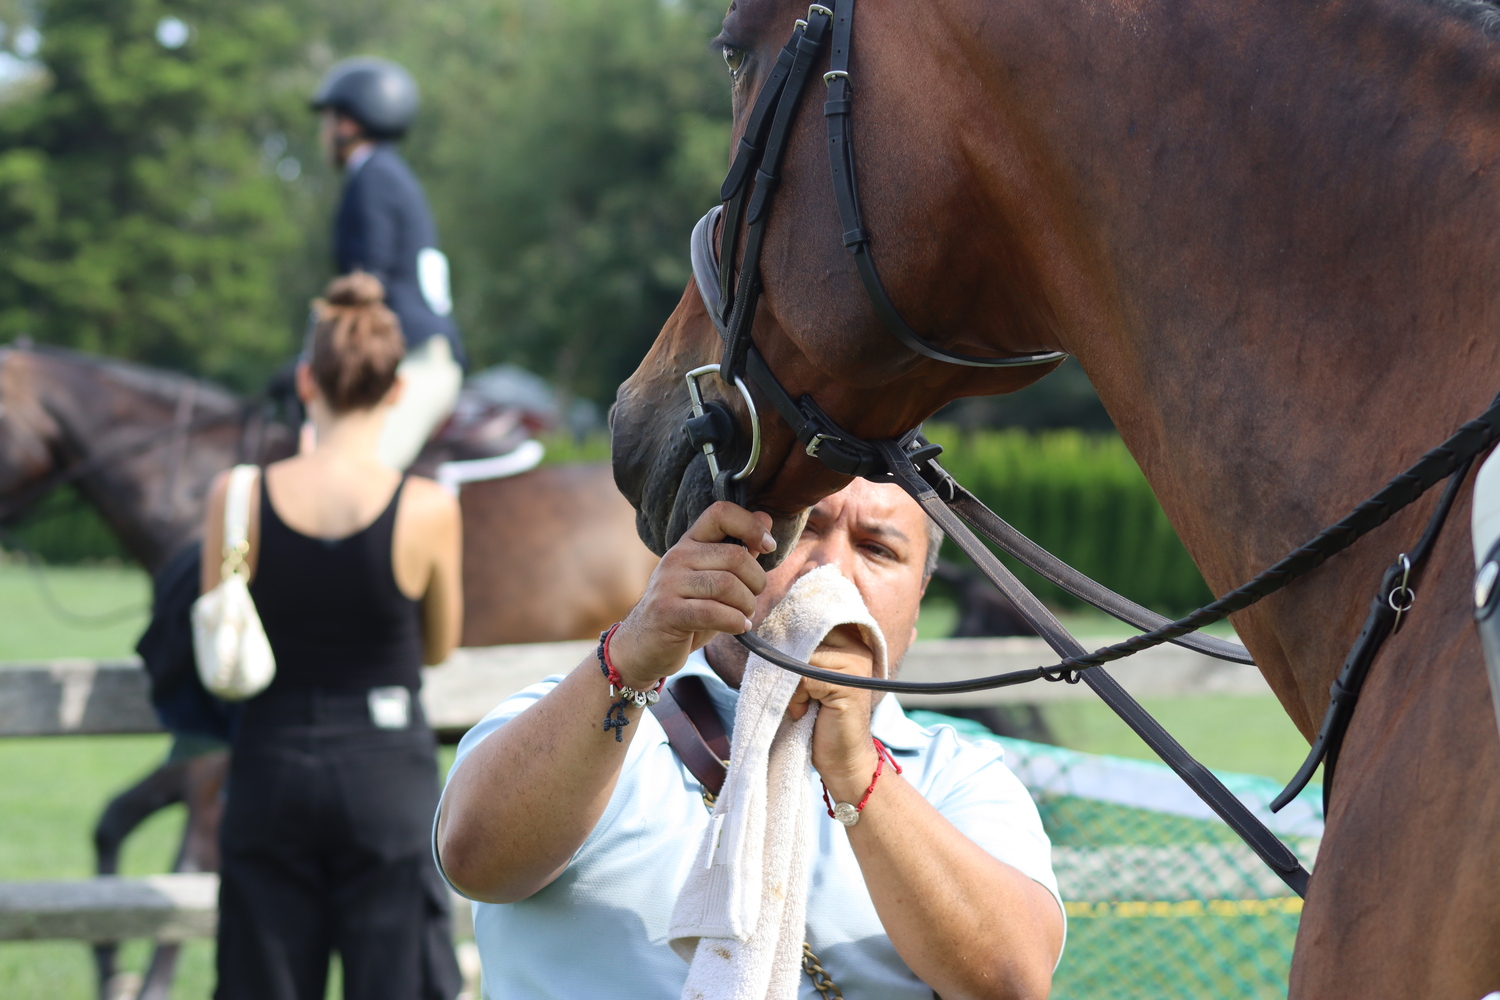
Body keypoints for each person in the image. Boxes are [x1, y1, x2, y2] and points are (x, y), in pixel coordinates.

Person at [435, 479, 1065, 999]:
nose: (830, 571)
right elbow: (475, 860)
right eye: (806, 528)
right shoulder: (574, 716)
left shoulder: (958, 776)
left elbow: (1011, 985)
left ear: (919, 601)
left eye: (877, 550)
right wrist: (631, 655)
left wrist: (853, 766)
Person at [203, 273, 464, 1000]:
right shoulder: (427, 506)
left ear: (305, 381)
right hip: (386, 775)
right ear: (396, 390)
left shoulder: (238, 495)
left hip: (269, 764)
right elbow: (437, 646)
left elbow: (219, 634)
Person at [312, 57, 465, 471]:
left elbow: (369, 282)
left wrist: (315, 351)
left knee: (352, 475)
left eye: (328, 121)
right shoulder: (387, 173)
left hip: (418, 362)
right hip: (414, 353)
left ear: (348, 124)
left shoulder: (373, 178)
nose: (323, 133)